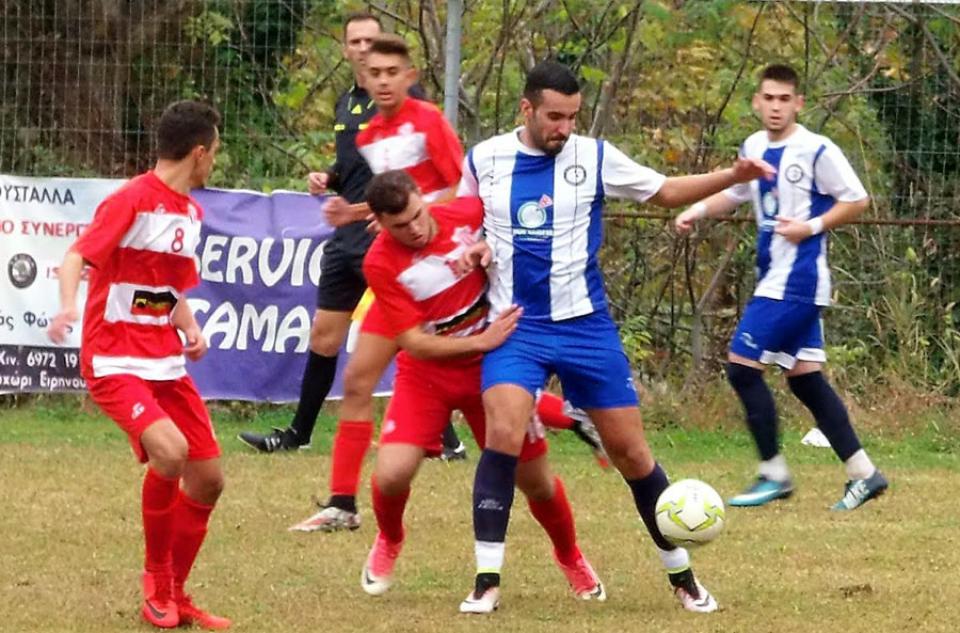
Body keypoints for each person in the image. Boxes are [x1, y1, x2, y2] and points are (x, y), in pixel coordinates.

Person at [456, 61, 775, 614]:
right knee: (503, 431)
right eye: (554, 117)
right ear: (526, 110)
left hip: (586, 327)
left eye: (573, 117)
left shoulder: (595, 157)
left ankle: (683, 578)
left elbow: (667, 191)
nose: (564, 128)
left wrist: (732, 176)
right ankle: (486, 580)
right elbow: (465, 218)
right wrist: (476, 244)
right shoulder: (484, 158)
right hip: (518, 328)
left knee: (630, 452)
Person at [356, 170, 605, 601]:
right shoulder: (379, 263)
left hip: (493, 370)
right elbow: (412, 342)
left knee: (537, 483)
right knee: (392, 475)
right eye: (399, 226)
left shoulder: (469, 213)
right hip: (427, 374)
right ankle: (390, 539)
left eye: (417, 215)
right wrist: (480, 339)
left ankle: (571, 556)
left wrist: (491, 246)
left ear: (423, 198)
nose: (414, 229)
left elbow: (521, 228)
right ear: (380, 222)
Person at [236, 13, 467, 459]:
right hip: (348, 237)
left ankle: (445, 437)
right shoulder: (347, 103)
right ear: (345, 49)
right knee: (324, 335)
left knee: (404, 336)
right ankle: (299, 435)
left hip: (389, 235)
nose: (363, 49)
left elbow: (423, 186)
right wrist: (330, 177)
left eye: (370, 41)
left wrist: (370, 212)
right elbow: (358, 170)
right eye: (355, 42)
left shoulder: (408, 105)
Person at [47, 101, 230, 630]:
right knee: (170, 454)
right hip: (113, 359)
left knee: (210, 479)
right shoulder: (130, 199)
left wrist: (187, 325)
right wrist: (66, 306)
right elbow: (77, 257)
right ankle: (155, 583)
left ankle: (177, 592)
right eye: (214, 153)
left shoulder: (190, 213)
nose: (213, 162)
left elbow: (165, 291)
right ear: (198, 153)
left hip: (164, 362)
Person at [674, 63, 888, 511]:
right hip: (775, 276)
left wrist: (810, 226)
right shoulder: (753, 147)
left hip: (798, 280)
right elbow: (736, 194)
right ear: (756, 101)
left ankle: (773, 471)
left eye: (784, 99)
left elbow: (857, 199)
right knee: (805, 381)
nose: (775, 107)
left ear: (798, 103)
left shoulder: (816, 150)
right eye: (768, 98)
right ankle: (864, 473)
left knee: (741, 367)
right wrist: (696, 210)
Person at [287, 33, 468, 532]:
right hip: (402, 275)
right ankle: (342, 504)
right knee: (358, 380)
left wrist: (413, 220)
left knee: (489, 394)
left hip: (450, 272)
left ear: (409, 76)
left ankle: (564, 419)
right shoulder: (368, 139)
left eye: (393, 72)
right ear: (363, 78)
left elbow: (458, 187)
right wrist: (361, 211)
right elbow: (399, 200)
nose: (383, 81)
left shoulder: (429, 121)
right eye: (375, 73)